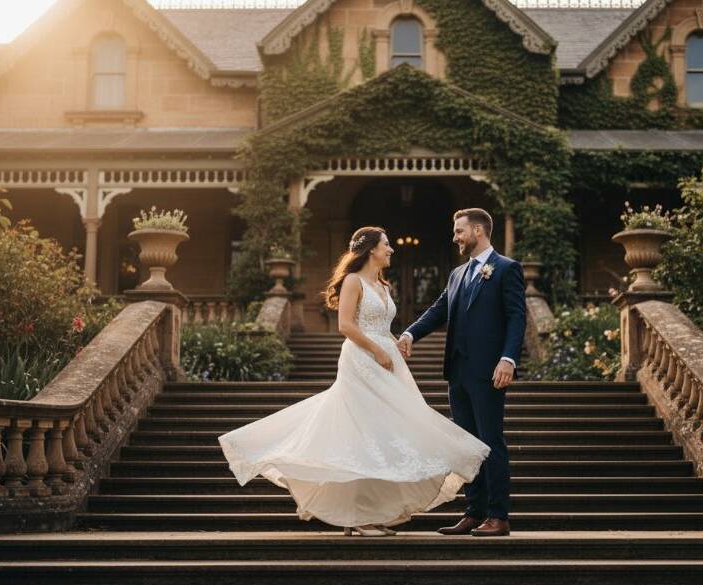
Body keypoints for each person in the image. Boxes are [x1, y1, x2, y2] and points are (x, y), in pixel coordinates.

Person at [218, 226, 489, 537]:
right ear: (371, 249)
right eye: (387, 245)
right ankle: (356, 516)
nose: (392, 249)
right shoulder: (352, 281)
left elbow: (381, 325)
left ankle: (367, 514)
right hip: (362, 359)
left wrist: (395, 343)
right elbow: (346, 325)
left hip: (388, 360)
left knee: (381, 437)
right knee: (360, 433)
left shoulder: (384, 285)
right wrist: (376, 349)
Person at [398, 208, 526, 537]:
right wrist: (411, 333)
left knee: (490, 442)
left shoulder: (506, 269)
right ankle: (474, 512)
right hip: (458, 371)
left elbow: (516, 318)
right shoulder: (457, 274)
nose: (454, 237)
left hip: (488, 371)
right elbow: (439, 309)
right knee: (466, 446)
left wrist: (508, 358)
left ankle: (499, 516)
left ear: (479, 231)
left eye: (459, 231)